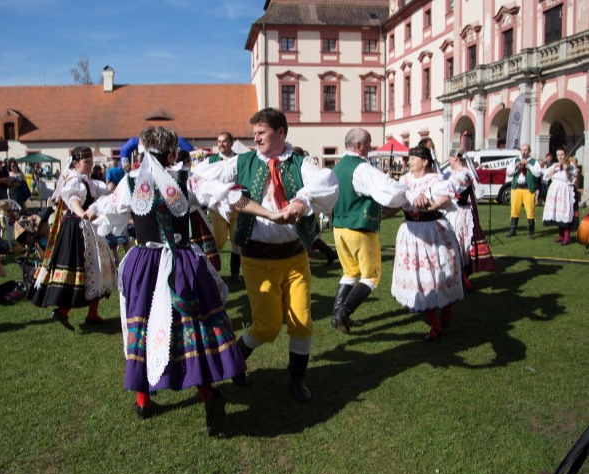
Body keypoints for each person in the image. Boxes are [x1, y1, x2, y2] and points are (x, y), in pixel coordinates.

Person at [87, 126, 245, 433]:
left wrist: (86, 213)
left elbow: (109, 211)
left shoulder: (131, 181)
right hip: (181, 261)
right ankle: (207, 393)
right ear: (172, 150)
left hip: (144, 264)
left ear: (144, 149)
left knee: (145, 326)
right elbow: (217, 193)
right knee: (193, 325)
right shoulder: (186, 178)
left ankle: (144, 401)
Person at [194, 107, 339, 401]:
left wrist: (303, 200)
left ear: (281, 133)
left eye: (262, 133)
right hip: (256, 258)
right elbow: (200, 177)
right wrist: (228, 196)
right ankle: (233, 362)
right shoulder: (242, 162)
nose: (256, 138)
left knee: (301, 321)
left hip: (295, 257)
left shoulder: (300, 162)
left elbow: (328, 182)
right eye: (254, 133)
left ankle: (297, 379)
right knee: (267, 326)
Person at [29, 146, 116, 331]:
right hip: (77, 228)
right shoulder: (74, 180)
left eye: (91, 161)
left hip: (86, 227)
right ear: (76, 163)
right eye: (87, 162)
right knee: (82, 270)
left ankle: (91, 314)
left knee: (97, 268)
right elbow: (72, 199)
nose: (90, 165)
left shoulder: (86, 180)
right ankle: (62, 310)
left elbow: (101, 193)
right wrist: (82, 213)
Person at [330, 128, 407, 333]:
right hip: (359, 228)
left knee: (350, 272)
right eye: (369, 143)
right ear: (359, 146)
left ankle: (338, 315)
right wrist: (408, 192)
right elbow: (386, 189)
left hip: (339, 229)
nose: (371, 148)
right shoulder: (361, 168)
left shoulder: (338, 167)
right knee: (371, 275)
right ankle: (342, 314)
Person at [391, 146, 464, 341]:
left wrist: (429, 203)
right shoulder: (404, 180)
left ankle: (447, 307)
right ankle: (435, 324)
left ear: (425, 161)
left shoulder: (435, 179)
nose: (410, 160)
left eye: (414, 157)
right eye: (409, 157)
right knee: (419, 280)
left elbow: (445, 198)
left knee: (440, 274)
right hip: (411, 234)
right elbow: (396, 205)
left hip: (433, 231)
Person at [443, 148, 496, 291]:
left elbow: (452, 188)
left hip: (461, 213)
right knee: (453, 243)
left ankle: (462, 279)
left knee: (460, 244)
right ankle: (457, 278)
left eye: (450, 158)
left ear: (454, 158)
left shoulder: (464, 173)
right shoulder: (454, 173)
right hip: (452, 212)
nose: (449, 161)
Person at [205, 132, 243, 282]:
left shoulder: (240, 160)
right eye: (219, 141)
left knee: (237, 241)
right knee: (218, 242)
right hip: (218, 208)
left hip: (236, 206)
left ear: (231, 143)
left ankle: (235, 273)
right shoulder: (211, 160)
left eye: (225, 141)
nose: (221, 144)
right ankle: (212, 274)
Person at [543, 146, 578, 246]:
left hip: (565, 191)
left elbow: (570, 179)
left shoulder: (570, 165)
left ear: (565, 154)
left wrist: (566, 169)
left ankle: (567, 238)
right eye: (558, 155)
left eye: (562, 155)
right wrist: (555, 168)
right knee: (557, 212)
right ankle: (561, 235)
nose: (560, 157)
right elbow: (546, 176)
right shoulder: (555, 165)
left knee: (564, 213)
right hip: (555, 191)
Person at [505, 143, 542, 239]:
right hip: (516, 188)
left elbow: (538, 174)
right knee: (514, 210)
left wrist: (528, 165)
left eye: (525, 150)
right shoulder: (515, 160)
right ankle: (513, 230)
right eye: (522, 150)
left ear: (529, 151)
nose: (523, 152)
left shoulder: (534, 162)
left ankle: (531, 232)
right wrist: (517, 167)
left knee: (530, 210)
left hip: (528, 189)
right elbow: (508, 173)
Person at [104, 157, 130, 266]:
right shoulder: (121, 171)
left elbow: (108, 183)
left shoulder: (109, 171)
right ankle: (127, 255)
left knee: (112, 227)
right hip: (122, 197)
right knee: (122, 227)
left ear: (111, 164)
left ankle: (116, 257)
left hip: (112, 197)